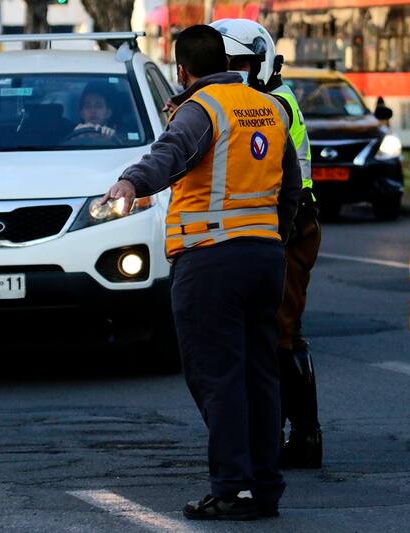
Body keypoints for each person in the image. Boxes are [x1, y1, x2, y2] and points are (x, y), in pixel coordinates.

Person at [100, 24, 300, 520]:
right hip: (264, 258)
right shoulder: (270, 108)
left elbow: (170, 154)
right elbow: (290, 187)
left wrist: (129, 182)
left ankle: (233, 488)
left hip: (210, 260)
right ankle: (265, 486)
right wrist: (274, 238)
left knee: (218, 376)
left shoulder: (201, 108)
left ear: (182, 70)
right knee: (259, 373)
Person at [210, 18, 322, 469]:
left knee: (282, 333)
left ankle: (299, 437)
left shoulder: (270, 104)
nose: (228, 74)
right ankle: (279, 434)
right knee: (273, 331)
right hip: (283, 220)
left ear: (257, 62)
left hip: (291, 222)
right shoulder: (265, 96)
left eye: (234, 65)